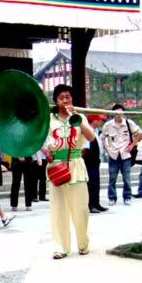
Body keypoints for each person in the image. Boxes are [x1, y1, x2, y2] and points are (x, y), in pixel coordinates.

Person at [42, 85, 95, 260]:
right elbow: (39, 137)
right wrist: (45, 150)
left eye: (68, 97)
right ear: (56, 101)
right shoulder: (49, 119)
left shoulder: (80, 117)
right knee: (58, 209)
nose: (66, 101)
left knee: (80, 208)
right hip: (56, 166)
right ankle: (60, 247)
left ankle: (83, 243)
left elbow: (91, 137)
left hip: (76, 164)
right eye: (61, 98)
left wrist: (77, 119)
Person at [101, 104, 142, 206]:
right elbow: (102, 137)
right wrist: (107, 149)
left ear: (123, 113)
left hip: (126, 155)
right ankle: (112, 198)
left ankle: (127, 197)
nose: (119, 114)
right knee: (112, 178)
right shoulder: (108, 125)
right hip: (113, 155)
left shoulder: (129, 123)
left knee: (127, 178)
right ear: (113, 113)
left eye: (120, 112)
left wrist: (132, 145)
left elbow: (140, 133)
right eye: (116, 112)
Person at [81, 114, 109, 213]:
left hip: (95, 160)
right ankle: (90, 205)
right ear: (93, 120)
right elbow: (85, 148)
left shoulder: (96, 131)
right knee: (91, 183)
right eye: (99, 120)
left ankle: (96, 203)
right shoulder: (87, 131)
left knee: (96, 183)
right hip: (89, 160)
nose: (100, 122)